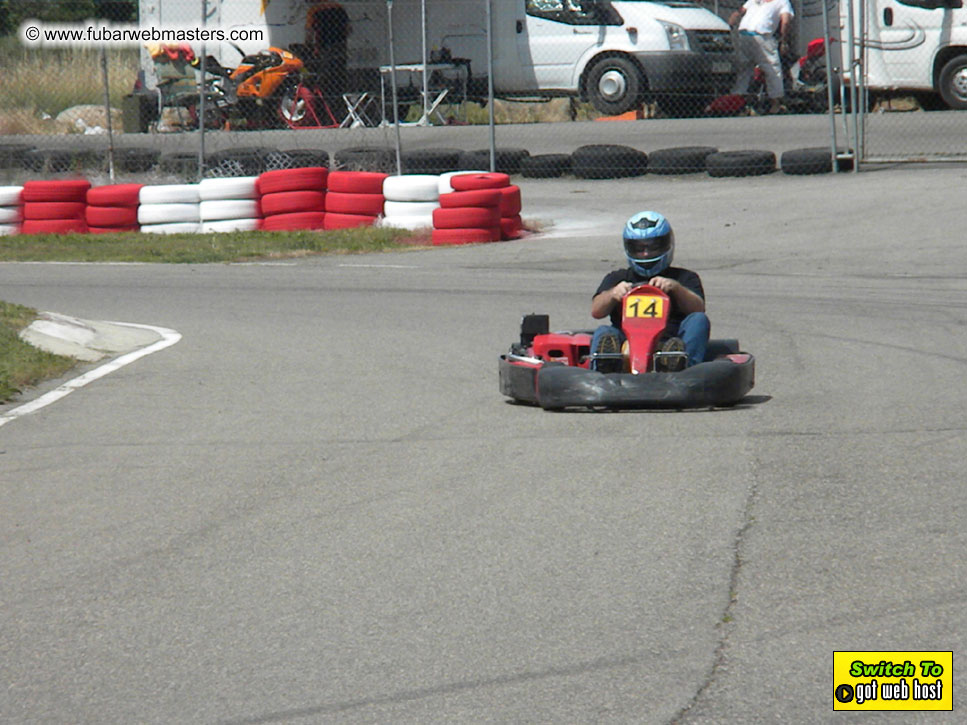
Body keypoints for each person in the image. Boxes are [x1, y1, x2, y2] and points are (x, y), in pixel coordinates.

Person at [590, 211, 709, 372]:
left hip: (672, 340)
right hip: (627, 342)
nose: (645, 254)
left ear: (666, 245)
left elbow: (698, 309)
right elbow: (596, 311)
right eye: (639, 248)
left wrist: (676, 288)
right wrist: (613, 294)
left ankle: (681, 366)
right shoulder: (617, 278)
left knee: (699, 321)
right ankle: (605, 368)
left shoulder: (684, 278)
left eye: (652, 247)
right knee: (604, 332)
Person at [729, 0, 795, 114]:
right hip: (761, 37)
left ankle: (737, 99)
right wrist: (784, 41)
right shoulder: (782, 2)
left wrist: (731, 25)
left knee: (744, 69)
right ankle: (776, 103)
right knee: (772, 68)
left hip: (743, 36)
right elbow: (785, 21)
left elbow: (738, 14)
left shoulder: (753, 1)